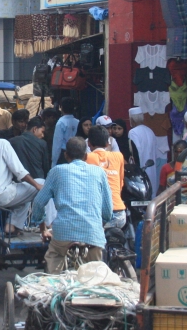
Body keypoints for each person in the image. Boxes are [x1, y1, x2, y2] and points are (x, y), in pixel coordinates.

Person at [31, 137, 113, 273]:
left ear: (66, 155)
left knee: (55, 258)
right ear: (86, 155)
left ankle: (55, 282)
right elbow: (108, 212)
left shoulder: (57, 171)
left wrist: (43, 228)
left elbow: (39, 202)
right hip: (93, 235)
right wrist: (98, 224)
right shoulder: (99, 173)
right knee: (95, 274)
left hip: (63, 234)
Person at [86, 126, 126, 229]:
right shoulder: (119, 156)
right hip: (120, 213)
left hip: (97, 213)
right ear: (108, 143)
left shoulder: (87, 158)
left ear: (89, 143)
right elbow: (120, 184)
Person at [9, 116, 50, 181]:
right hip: (38, 182)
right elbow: (46, 167)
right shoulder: (42, 144)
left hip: (18, 182)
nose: (43, 135)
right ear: (35, 129)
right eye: (42, 132)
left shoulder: (12, 142)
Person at [51, 99, 79, 168]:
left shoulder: (61, 122)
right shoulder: (78, 122)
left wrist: (54, 161)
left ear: (62, 108)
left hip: (64, 154)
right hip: (77, 152)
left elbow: (57, 143)